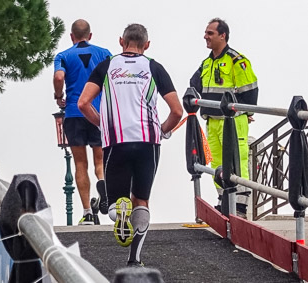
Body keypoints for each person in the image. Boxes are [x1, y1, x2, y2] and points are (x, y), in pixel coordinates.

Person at [78, 23, 183, 266]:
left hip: (116, 140)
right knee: (142, 201)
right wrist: (163, 131)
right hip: (148, 142)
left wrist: (103, 125)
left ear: (121, 42)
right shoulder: (154, 67)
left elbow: (83, 103)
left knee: (115, 204)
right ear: (146, 45)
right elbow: (177, 110)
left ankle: (118, 213)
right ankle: (134, 259)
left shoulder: (106, 66)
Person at [190, 18, 258, 218]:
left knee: (238, 163)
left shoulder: (237, 60)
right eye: (206, 32)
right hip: (212, 121)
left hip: (233, 122)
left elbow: (250, 90)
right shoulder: (207, 63)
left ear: (223, 35)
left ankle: (240, 208)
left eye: (210, 33)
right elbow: (194, 83)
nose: (205, 36)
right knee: (217, 164)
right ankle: (224, 201)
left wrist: (247, 112)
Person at [53, 19, 111, 225]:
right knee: (100, 161)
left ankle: (87, 212)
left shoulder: (63, 56)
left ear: (71, 36)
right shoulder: (104, 53)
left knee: (80, 163)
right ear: (90, 35)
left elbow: (59, 78)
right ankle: (103, 184)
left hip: (74, 112)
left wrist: (58, 95)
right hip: (97, 113)